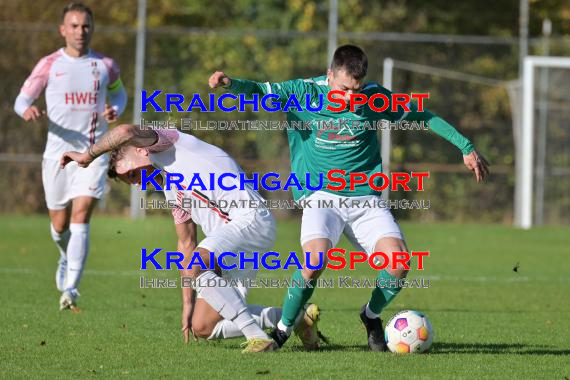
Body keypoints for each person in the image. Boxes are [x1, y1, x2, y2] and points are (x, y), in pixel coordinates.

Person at [209, 44, 490, 351]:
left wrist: (465, 147)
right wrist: (229, 83)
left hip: (365, 199)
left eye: (356, 90)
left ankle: (371, 317)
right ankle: (282, 330)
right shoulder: (304, 92)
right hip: (321, 196)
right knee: (314, 261)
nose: (350, 98)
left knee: (399, 263)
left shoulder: (374, 97)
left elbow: (423, 115)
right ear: (330, 76)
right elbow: (259, 90)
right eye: (343, 89)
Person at [60, 124, 322, 352]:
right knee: (203, 327)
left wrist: (88, 155)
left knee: (196, 265)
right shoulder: (170, 189)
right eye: (131, 182)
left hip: (250, 219)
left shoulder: (168, 144)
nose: (137, 183)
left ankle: (257, 337)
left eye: (132, 174)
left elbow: (125, 131)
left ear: (140, 150)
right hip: (232, 243)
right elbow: (186, 244)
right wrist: (188, 302)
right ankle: (296, 318)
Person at [13, 2, 128, 311]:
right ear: (63, 30)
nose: (81, 31)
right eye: (74, 26)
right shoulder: (49, 64)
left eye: (86, 26)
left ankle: (71, 289)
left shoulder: (105, 65)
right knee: (60, 225)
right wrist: (27, 109)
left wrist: (114, 108)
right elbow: (21, 99)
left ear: (93, 29)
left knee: (81, 218)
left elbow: (120, 93)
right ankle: (65, 256)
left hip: (93, 153)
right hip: (57, 156)